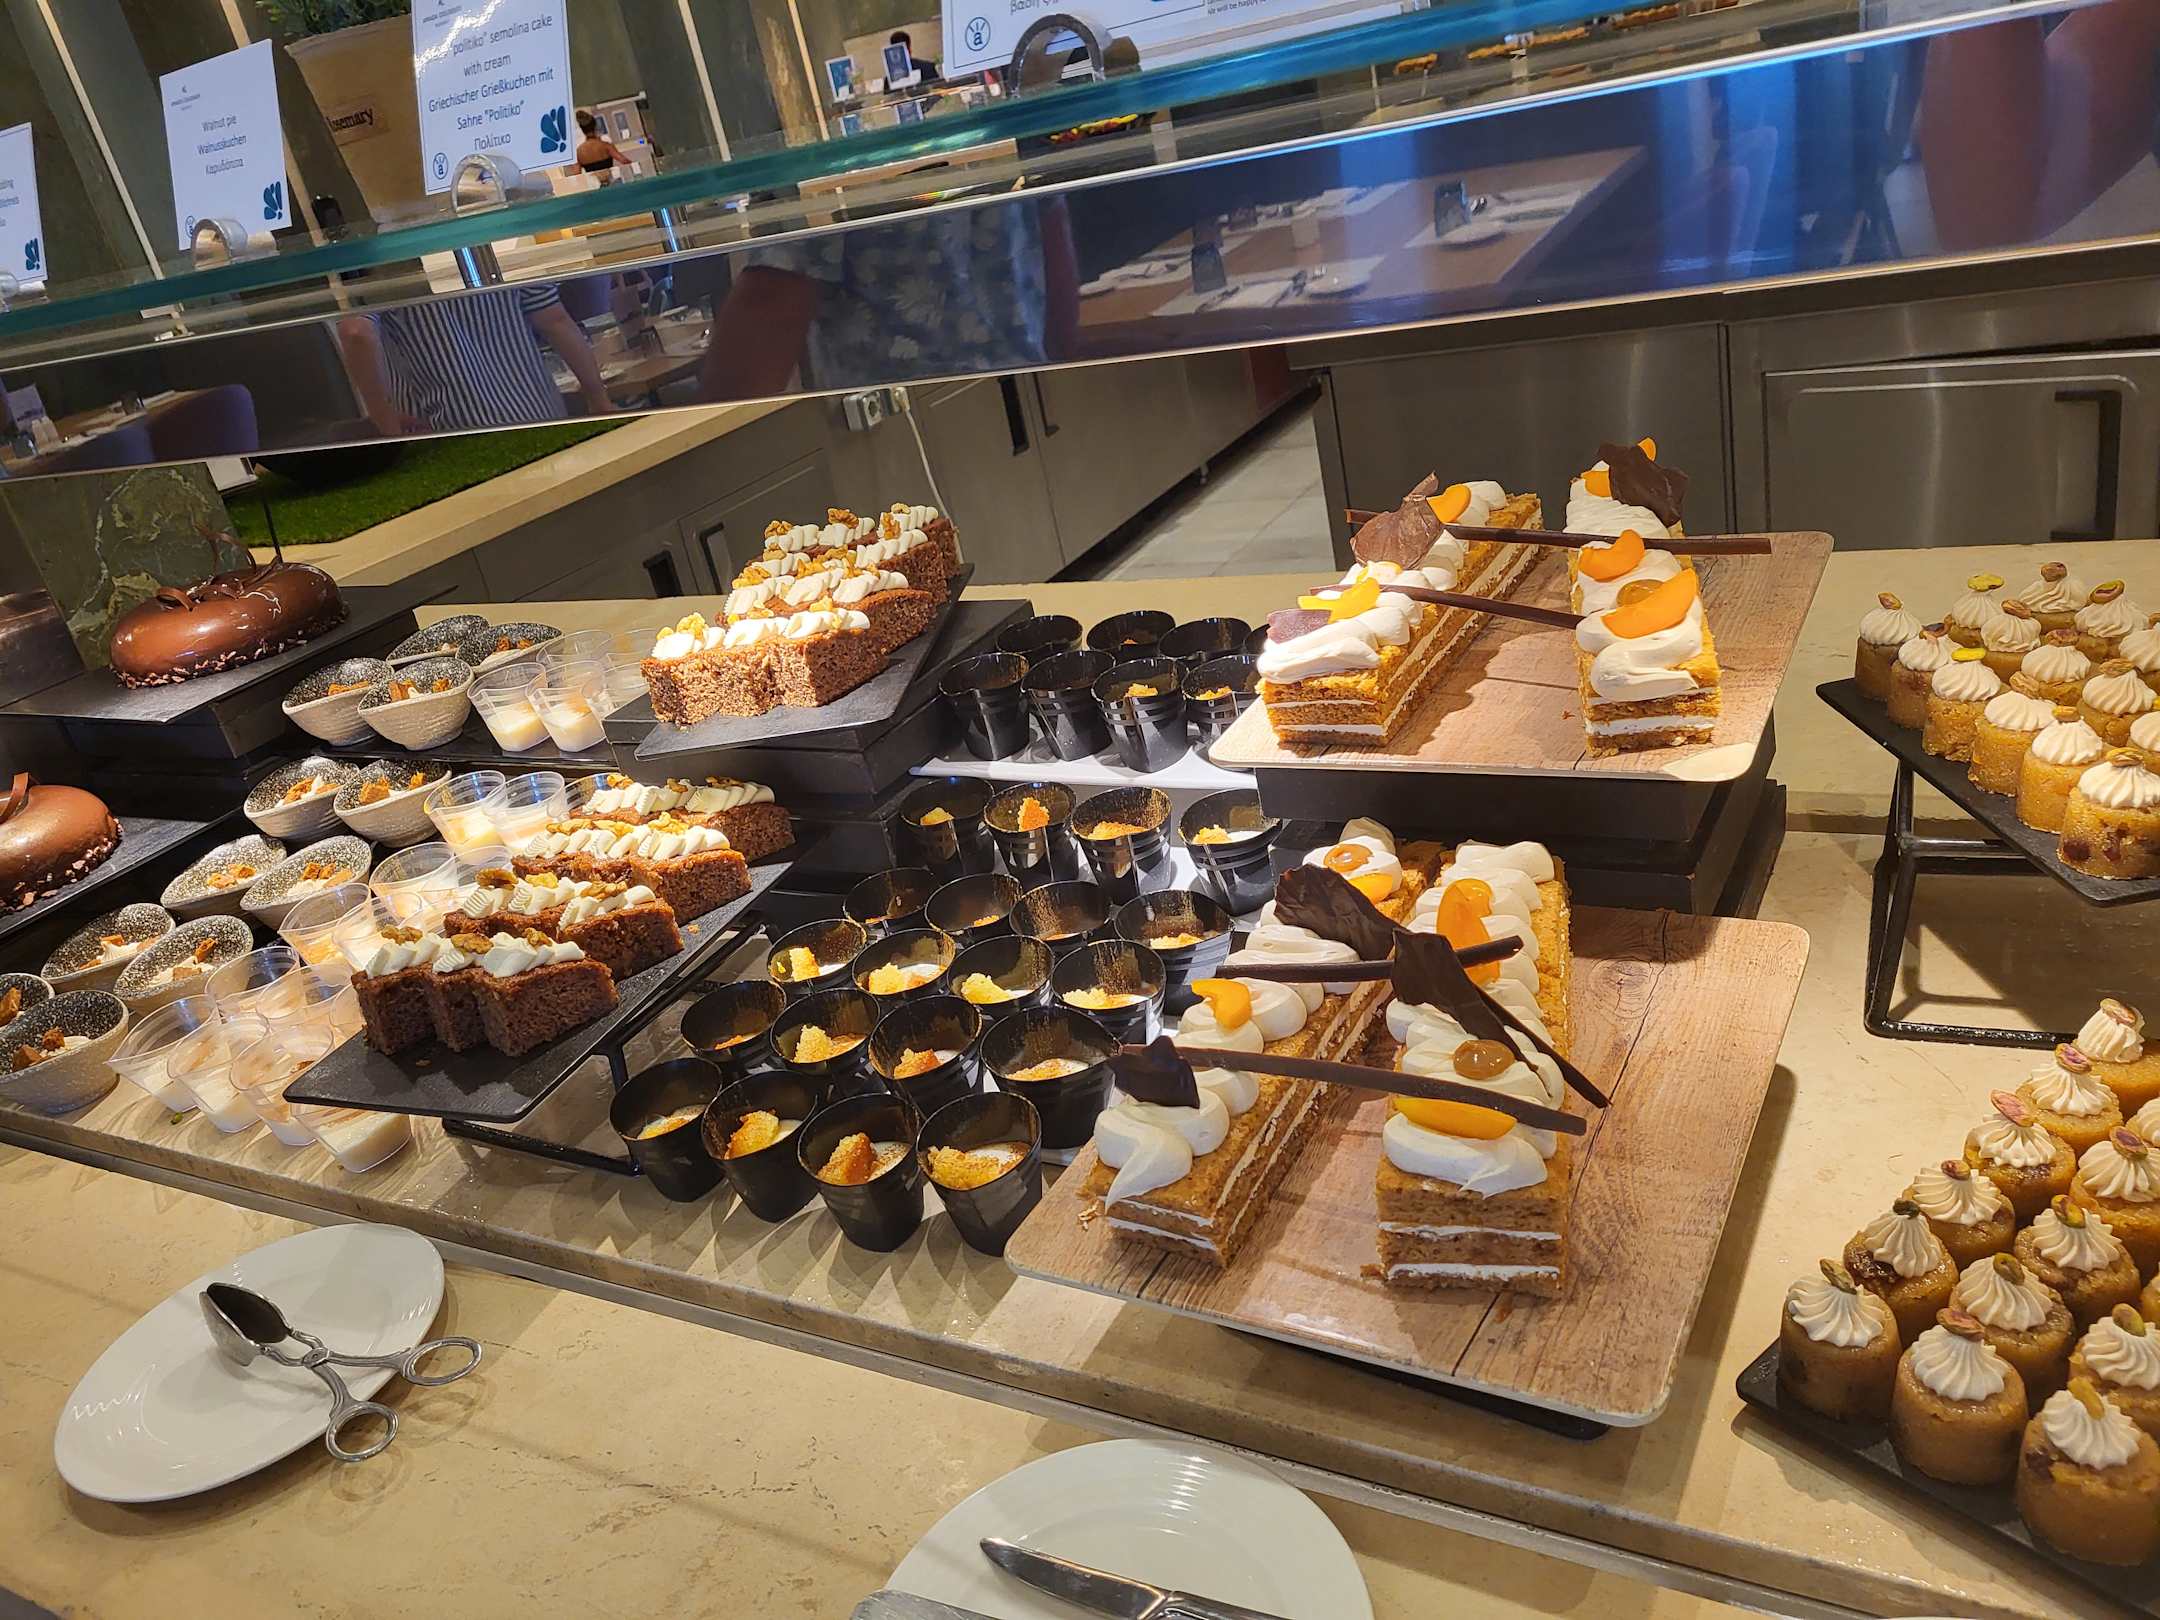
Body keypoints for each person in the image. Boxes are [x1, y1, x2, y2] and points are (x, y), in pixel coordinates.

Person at [335, 284, 613, 435]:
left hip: (449, 439)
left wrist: (385, 425)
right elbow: (555, 320)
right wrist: (598, 398)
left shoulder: (380, 260)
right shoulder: (492, 227)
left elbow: (356, 332)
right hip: (541, 419)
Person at [575, 110, 632, 180]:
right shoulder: (606, 146)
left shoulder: (579, 152)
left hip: (594, 183)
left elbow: (576, 175)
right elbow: (624, 161)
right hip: (610, 180)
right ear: (595, 126)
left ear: (582, 129)